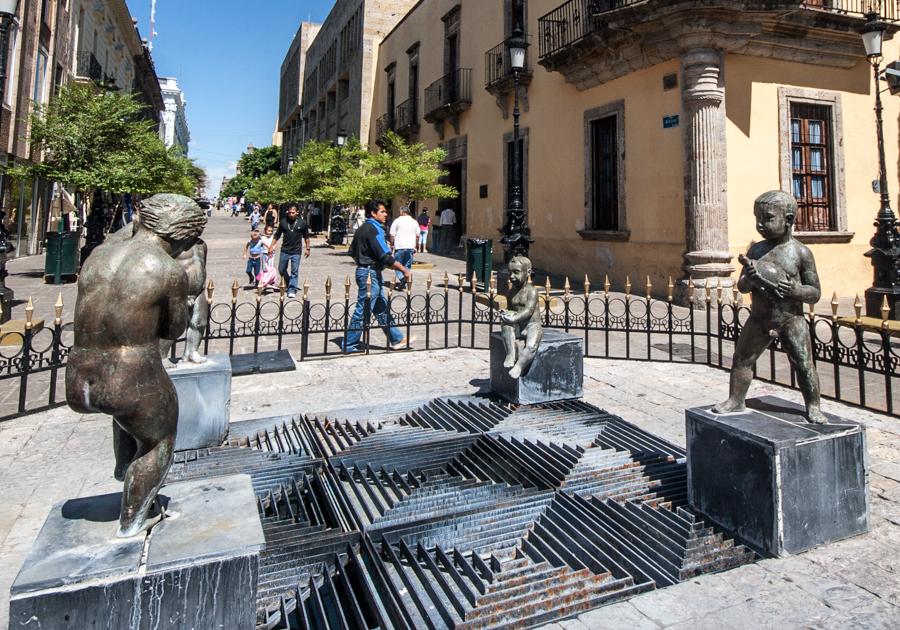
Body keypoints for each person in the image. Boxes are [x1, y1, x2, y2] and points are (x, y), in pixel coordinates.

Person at [65, 193, 206, 537]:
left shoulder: (99, 256)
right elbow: (174, 329)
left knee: (128, 417)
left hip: (79, 374)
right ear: (181, 235)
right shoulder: (167, 269)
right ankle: (133, 522)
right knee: (159, 440)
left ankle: (123, 470)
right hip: (130, 372)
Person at [712, 190, 825, 424]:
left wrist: (795, 290)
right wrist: (750, 279)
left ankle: (813, 406)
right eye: (758, 219)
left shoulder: (801, 253)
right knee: (742, 358)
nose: (760, 225)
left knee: (803, 363)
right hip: (759, 318)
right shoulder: (757, 250)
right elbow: (742, 286)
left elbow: (814, 292)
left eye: (768, 218)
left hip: (790, 319)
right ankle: (736, 399)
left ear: (789, 220)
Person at [343, 199, 414, 353]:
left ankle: (396, 338)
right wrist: (404, 270)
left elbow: (352, 252)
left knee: (381, 307)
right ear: (373, 213)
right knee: (363, 309)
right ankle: (349, 344)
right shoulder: (373, 229)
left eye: (385, 211)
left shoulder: (363, 228)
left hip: (366, 271)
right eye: (382, 211)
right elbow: (385, 256)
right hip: (370, 273)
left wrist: (363, 263)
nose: (385, 214)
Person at [501, 256, 543, 379]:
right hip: (518, 324)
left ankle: (519, 366)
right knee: (505, 324)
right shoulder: (510, 293)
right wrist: (506, 313)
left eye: (516, 272)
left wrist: (514, 318)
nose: (511, 276)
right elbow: (511, 309)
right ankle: (510, 353)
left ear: (528, 272)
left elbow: (528, 310)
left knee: (531, 346)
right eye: (510, 273)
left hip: (531, 324)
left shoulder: (532, 291)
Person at [269, 205, 310, 298]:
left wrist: (308, 248)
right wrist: (271, 246)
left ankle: (292, 289)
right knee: (281, 269)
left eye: (293, 212)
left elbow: (306, 236)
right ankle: (288, 282)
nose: (291, 214)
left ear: (297, 212)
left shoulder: (302, 223)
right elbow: (277, 235)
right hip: (285, 250)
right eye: (290, 212)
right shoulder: (283, 222)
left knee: (294, 271)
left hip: (296, 251)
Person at [389, 206, 420, 288]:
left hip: (399, 246)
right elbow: (417, 236)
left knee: (397, 265)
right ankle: (404, 280)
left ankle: (403, 279)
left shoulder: (397, 221)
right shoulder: (414, 222)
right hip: (410, 247)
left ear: (402, 212)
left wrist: (392, 244)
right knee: (407, 265)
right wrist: (415, 246)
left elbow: (392, 234)